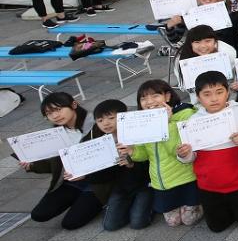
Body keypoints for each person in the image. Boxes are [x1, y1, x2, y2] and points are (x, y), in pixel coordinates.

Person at [176, 71, 238, 232]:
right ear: (198, 97)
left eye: (219, 92)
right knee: (217, 227)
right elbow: (190, 157)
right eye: (207, 94)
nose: (214, 99)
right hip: (209, 186)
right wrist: (184, 154)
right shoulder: (193, 122)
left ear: (228, 92)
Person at [126, 79, 202, 226]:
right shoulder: (142, 122)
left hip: (185, 178)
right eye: (144, 98)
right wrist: (132, 151)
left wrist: (167, 124)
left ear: (167, 97)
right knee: (173, 222)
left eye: (155, 96)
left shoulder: (184, 116)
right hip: (161, 181)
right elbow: (143, 155)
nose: (149, 102)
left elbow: (178, 152)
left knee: (189, 220)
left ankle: (200, 203)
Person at [20, 93, 98, 229]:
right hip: (71, 182)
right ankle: (78, 199)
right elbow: (54, 165)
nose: (55, 116)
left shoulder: (97, 125)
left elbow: (111, 161)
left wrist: (86, 174)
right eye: (49, 113)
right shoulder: (56, 133)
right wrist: (31, 166)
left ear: (74, 105)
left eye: (58, 109)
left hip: (97, 182)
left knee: (70, 223)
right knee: (39, 214)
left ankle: (96, 201)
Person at [90, 99, 154, 231]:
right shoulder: (95, 140)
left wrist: (132, 165)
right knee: (110, 226)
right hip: (120, 188)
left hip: (145, 185)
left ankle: (149, 205)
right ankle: (132, 206)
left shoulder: (138, 133)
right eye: (100, 120)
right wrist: (80, 173)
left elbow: (150, 163)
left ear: (124, 116)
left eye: (111, 118)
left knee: (138, 223)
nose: (106, 123)